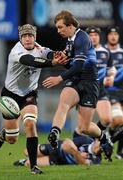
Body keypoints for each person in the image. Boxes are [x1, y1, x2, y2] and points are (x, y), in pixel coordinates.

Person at [0, 24, 67, 174]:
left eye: (30, 36)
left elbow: (49, 54)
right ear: (20, 38)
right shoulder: (16, 51)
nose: (28, 39)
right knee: (12, 138)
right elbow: (31, 61)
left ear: (34, 37)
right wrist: (52, 63)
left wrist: (59, 56)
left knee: (29, 123)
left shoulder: (39, 48)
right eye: (24, 36)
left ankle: (34, 166)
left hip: (29, 93)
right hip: (10, 95)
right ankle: (5, 134)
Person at [42, 10, 113, 161]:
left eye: (60, 27)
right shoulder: (69, 40)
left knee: (84, 128)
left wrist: (59, 78)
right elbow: (72, 66)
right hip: (76, 80)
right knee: (64, 102)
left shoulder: (82, 38)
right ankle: (55, 132)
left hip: (89, 83)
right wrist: (64, 61)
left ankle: (103, 137)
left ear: (70, 25)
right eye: (57, 27)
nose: (58, 30)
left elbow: (80, 66)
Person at [85, 27, 116, 132]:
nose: (93, 38)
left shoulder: (106, 51)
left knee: (107, 119)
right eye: (91, 35)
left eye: (96, 35)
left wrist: (111, 77)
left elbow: (111, 69)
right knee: (84, 125)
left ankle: (97, 139)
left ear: (99, 37)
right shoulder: (83, 52)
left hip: (101, 89)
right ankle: (87, 142)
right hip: (87, 89)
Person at [13, 135, 102, 167]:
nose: (98, 148)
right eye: (100, 144)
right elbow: (68, 143)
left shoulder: (97, 159)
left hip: (59, 158)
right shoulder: (86, 140)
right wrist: (78, 154)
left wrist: (75, 152)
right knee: (26, 151)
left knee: (29, 163)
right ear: (97, 140)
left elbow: (83, 163)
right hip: (55, 146)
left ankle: (23, 161)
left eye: (101, 149)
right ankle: (29, 157)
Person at [105, 26, 123, 159]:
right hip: (109, 91)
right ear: (107, 36)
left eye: (116, 34)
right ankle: (107, 141)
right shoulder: (103, 52)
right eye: (111, 34)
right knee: (118, 120)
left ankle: (118, 152)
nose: (113, 36)